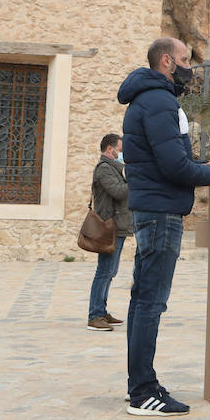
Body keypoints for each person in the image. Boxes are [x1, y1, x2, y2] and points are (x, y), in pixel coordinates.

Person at [118, 38, 210, 416]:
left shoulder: (148, 98)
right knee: (151, 301)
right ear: (166, 61)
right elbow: (174, 167)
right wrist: (208, 175)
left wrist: (201, 164)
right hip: (161, 212)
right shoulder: (160, 100)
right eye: (184, 60)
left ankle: (140, 383)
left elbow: (174, 155)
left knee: (142, 299)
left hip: (152, 208)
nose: (189, 68)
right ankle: (143, 392)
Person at [86, 133, 131, 331]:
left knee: (109, 272)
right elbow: (119, 192)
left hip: (117, 226)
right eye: (120, 150)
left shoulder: (115, 169)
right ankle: (95, 316)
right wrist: (135, 180)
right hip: (108, 227)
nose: (122, 154)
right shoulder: (104, 169)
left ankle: (101, 311)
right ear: (110, 149)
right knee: (103, 272)